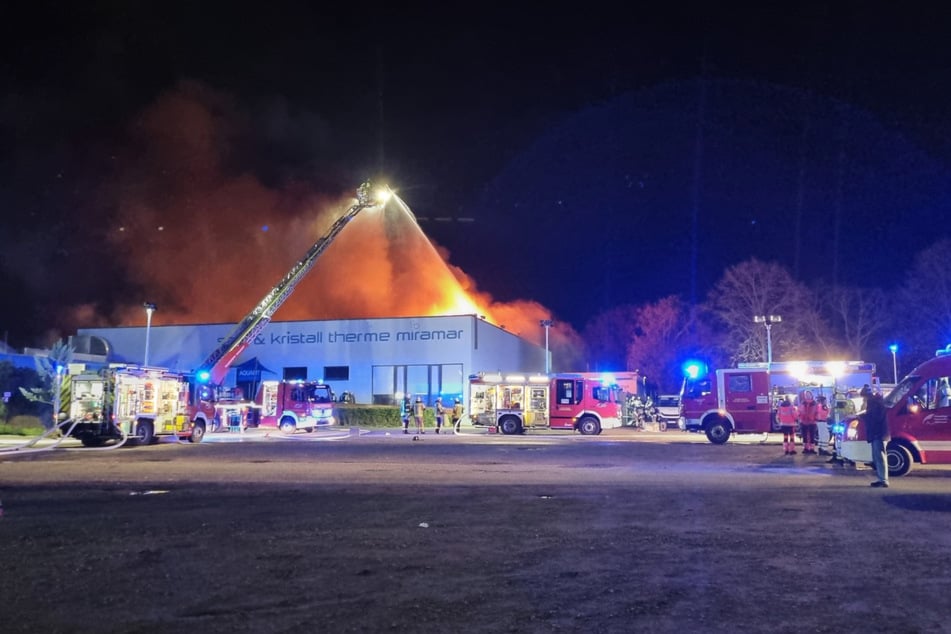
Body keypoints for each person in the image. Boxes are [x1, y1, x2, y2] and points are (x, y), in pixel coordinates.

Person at [860, 386, 890, 488]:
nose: (863, 399)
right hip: (880, 433)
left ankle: (883, 480)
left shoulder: (874, 403)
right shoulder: (877, 402)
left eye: (863, 397)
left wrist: (863, 416)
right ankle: (881, 479)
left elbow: (874, 418)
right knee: (878, 457)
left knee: (880, 457)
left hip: (878, 434)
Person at [798, 390, 819, 455]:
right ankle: (806, 448)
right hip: (804, 422)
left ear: (811, 395)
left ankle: (812, 449)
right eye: (807, 394)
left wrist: (815, 418)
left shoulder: (814, 403)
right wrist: (800, 418)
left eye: (809, 394)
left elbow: (817, 412)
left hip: (812, 422)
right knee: (805, 436)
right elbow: (799, 411)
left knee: (812, 436)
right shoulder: (802, 403)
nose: (808, 395)